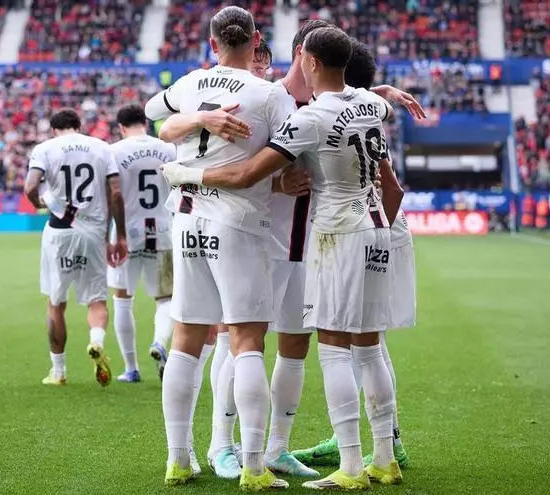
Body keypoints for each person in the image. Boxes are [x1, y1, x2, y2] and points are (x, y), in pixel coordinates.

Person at [162, 26, 404, 490]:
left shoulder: (317, 111)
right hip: (272, 240)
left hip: (314, 244)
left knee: (298, 346)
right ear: (305, 55)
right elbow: (251, 163)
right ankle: (222, 445)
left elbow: (255, 162)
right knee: (245, 340)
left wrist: (184, 174)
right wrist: (275, 182)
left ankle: (276, 450)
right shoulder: (272, 99)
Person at [144, 6, 296, 490]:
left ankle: (178, 459)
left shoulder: (190, 83)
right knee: (247, 340)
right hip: (239, 223)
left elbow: (153, 114)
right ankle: (254, 467)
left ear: (212, 44)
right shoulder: (268, 93)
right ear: (256, 41)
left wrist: (195, 117)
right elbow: (296, 151)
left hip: (186, 221)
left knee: (187, 340)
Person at [291, 37, 412, 471]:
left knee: (333, 346)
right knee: (371, 345)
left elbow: (258, 167)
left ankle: (350, 465)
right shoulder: (372, 109)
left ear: (312, 62)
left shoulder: (314, 117)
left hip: (339, 233)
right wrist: (385, 93)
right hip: (380, 228)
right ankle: (386, 452)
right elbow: (393, 186)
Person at [23, 108, 128, 386]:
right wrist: (120, 235)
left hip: (60, 230)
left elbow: (30, 187)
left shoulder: (45, 148)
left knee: (56, 303)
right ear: (78, 126)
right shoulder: (102, 148)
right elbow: (116, 193)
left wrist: (40, 203)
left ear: (55, 129)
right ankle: (96, 342)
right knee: (97, 300)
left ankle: (58, 371)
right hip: (93, 232)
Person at [103, 105, 177, 384]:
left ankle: (131, 367)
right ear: (145, 123)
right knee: (166, 297)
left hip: (128, 231)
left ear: (121, 127)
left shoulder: (113, 151)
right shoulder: (169, 148)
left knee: (123, 298)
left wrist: (114, 235)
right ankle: (159, 342)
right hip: (162, 228)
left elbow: (113, 194)